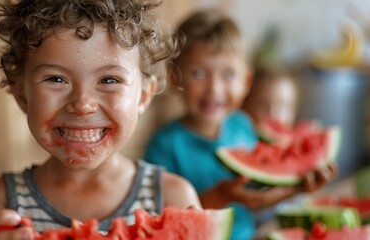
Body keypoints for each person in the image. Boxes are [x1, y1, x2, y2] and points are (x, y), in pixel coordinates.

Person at [0, 0, 201, 239]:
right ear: (21, 94)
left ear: (143, 95)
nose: (82, 105)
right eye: (56, 79)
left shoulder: (173, 197)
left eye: (109, 80)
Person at [144, 9, 336, 239]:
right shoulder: (163, 146)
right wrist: (223, 195)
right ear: (175, 78)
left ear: (246, 81)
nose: (214, 89)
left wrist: (295, 188)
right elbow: (163, 220)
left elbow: (257, 198)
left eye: (227, 74)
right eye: (199, 73)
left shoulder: (243, 126)